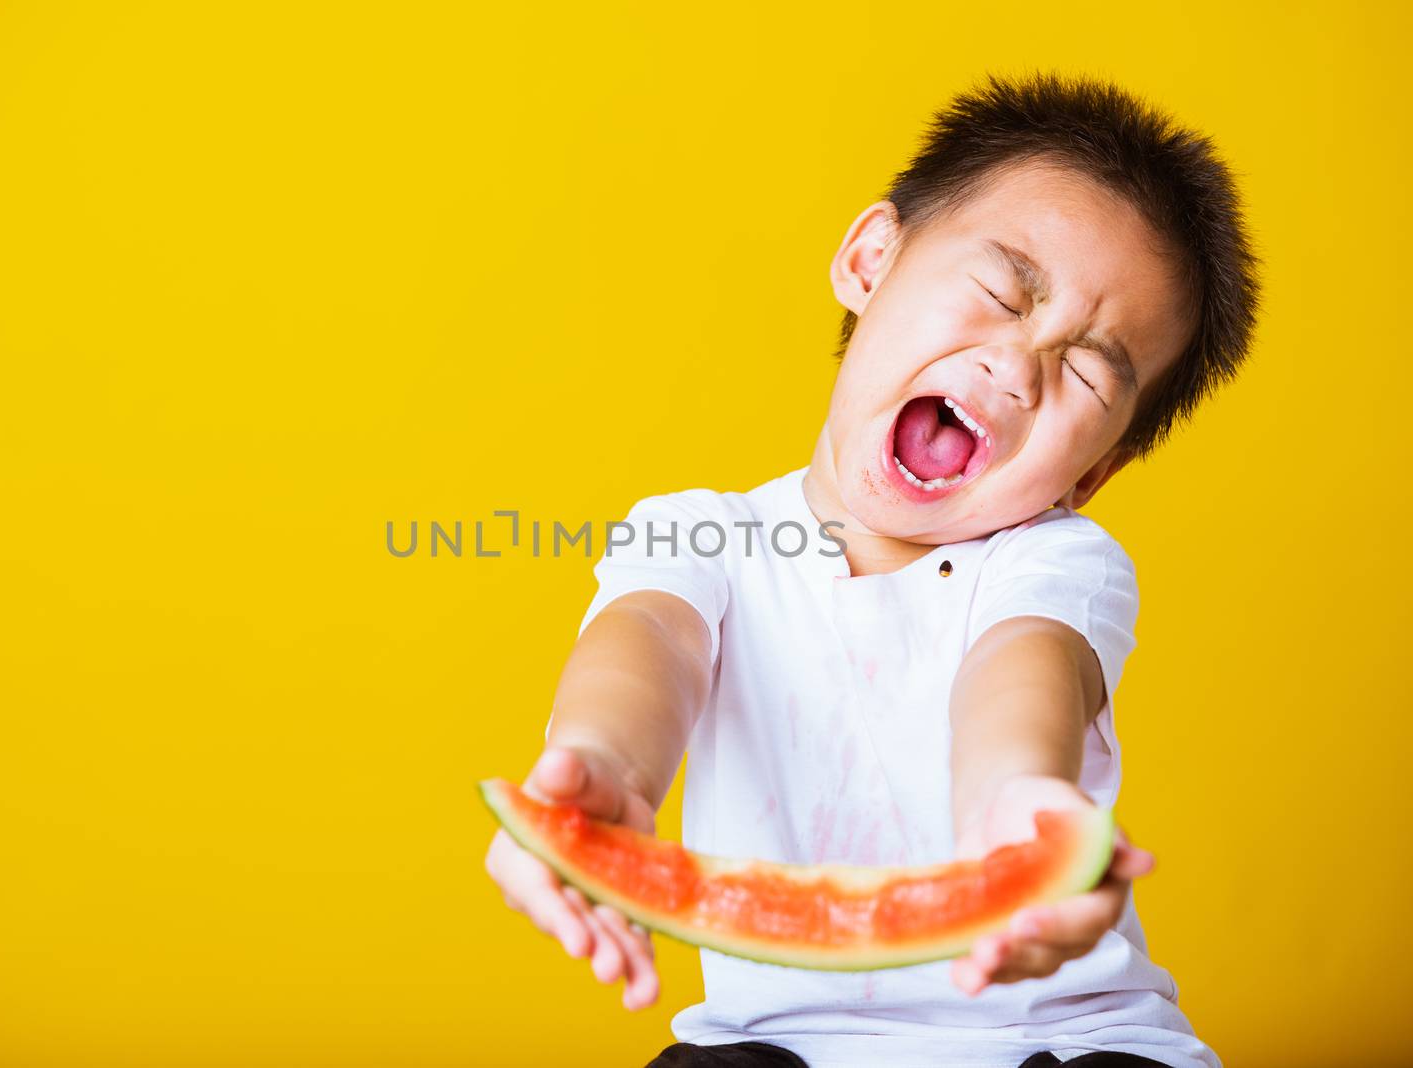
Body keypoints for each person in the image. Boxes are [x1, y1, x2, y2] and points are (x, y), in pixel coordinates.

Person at [484, 72, 1258, 1068]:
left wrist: (1017, 806)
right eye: (1001, 294)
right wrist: (596, 768)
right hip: (779, 1045)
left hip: (1058, 1040)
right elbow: (652, 642)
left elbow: (1016, 672)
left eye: (1083, 370)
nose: (1015, 368)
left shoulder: (1058, 564)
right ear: (869, 258)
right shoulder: (699, 535)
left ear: (1094, 471)